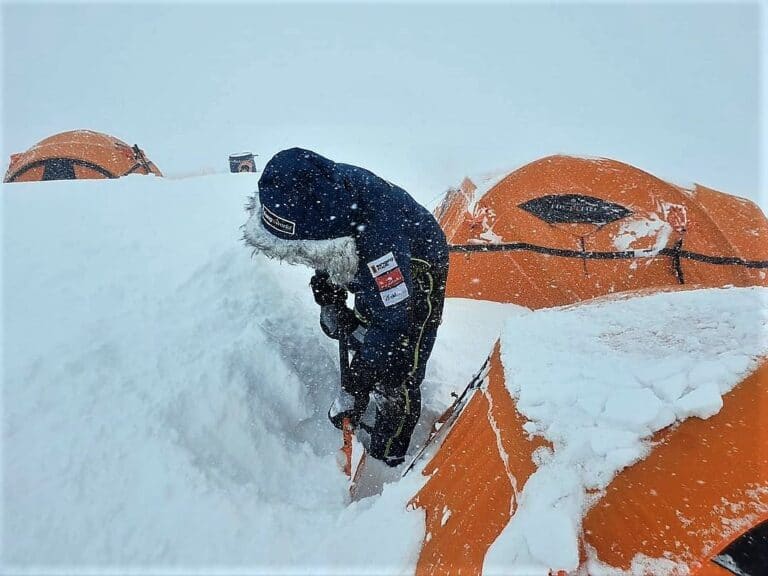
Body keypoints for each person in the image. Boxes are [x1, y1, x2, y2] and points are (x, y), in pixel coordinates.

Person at [244, 148, 448, 468]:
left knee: (399, 364)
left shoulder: (381, 246)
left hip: (418, 266)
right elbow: (324, 248)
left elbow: (394, 323)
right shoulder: (324, 194)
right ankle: (368, 383)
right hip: (368, 264)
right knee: (368, 328)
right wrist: (328, 294)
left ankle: (388, 455)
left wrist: (358, 382)